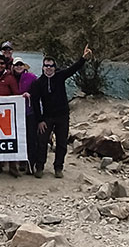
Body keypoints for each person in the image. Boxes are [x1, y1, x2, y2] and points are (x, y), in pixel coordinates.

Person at [31, 44, 93, 179]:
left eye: (51, 66)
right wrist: (40, 120)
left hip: (62, 116)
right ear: (43, 67)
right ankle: (39, 166)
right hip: (47, 117)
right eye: (46, 66)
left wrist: (83, 58)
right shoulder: (38, 83)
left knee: (62, 143)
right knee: (41, 142)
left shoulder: (60, 76)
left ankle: (58, 167)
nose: (48, 68)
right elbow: (35, 102)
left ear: (55, 67)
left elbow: (73, 68)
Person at [11, 56, 38, 174]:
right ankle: (21, 161)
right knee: (17, 138)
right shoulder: (10, 78)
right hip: (14, 114)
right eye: (16, 65)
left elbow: (38, 90)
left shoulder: (31, 77)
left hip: (29, 112)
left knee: (30, 138)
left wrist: (30, 93)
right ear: (13, 66)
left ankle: (31, 163)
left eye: (20, 64)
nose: (19, 67)